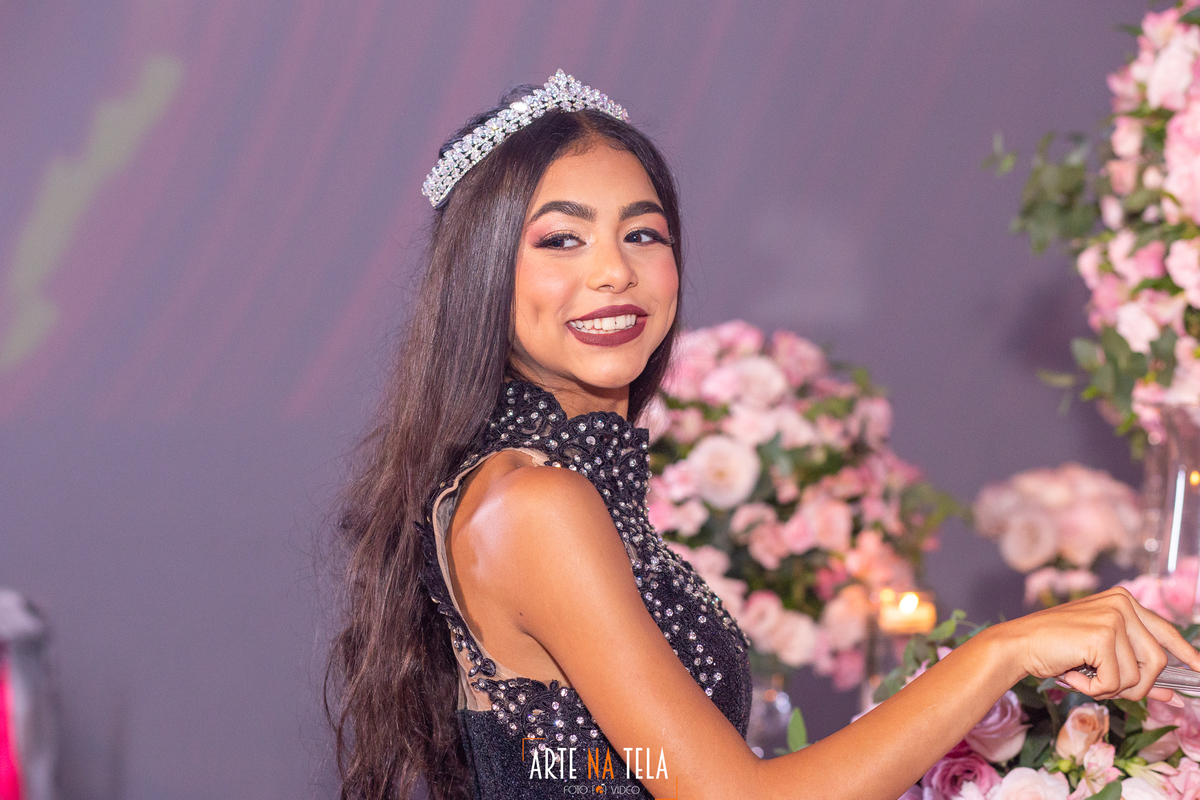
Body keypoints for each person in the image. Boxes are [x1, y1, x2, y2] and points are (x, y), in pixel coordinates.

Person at [326, 71, 1200, 800]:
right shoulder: (536, 503)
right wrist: (1002, 651)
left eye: (642, 233)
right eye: (561, 239)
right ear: (482, 273)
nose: (614, 271)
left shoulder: (535, 485)